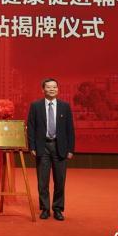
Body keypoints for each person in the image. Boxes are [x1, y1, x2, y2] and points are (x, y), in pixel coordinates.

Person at [27, 78, 75, 221]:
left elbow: (70, 129)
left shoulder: (65, 106)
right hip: (42, 147)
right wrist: (32, 146)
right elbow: (31, 127)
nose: (52, 89)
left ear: (58, 89)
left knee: (60, 180)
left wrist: (70, 149)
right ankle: (45, 209)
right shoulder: (35, 106)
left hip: (60, 147)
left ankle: (58, 209)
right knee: (43, 181)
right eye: (48, 87)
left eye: (54, 87)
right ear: (43, 90)